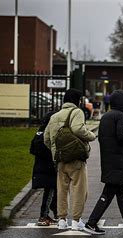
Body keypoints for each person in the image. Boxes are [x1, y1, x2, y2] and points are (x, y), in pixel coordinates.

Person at [84, 90, 123, 235]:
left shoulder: (107, 116)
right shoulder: (120, 117)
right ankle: (91, 223)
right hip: (118, 161)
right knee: (109, 193)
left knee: (121, 192)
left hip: (109, 159)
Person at [44, 89, 97, 230]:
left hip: (60, 159)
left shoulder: (55, 116)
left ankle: (61, 220)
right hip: (75, 158)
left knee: (62, 190)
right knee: (79, 189)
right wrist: (91, 136)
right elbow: (78, 129)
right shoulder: (77, 112)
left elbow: (46, 139)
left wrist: (56, 150)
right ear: (77, 100)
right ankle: (76, 221)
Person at [31, 111, 58, 226]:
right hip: (47, 168)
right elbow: (49, 149)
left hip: (41, 166)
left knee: (51, 191)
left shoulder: (39, 132)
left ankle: (48, 214)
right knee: (49, 191)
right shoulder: (47, 133)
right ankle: (43, 216)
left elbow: (32, 149)